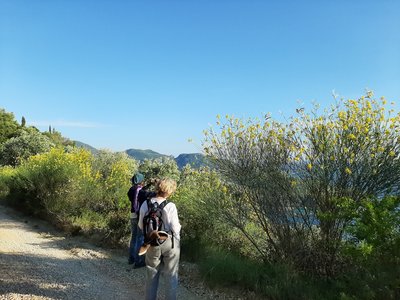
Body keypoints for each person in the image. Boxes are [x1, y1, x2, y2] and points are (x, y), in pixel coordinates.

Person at [138, 178, 181, 300]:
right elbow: (175, 229)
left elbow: (141, 226)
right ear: (170, 191)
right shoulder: (171, 206)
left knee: (151, 274)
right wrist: (177, 243)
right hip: (169, 242)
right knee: (171, 276)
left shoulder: (145, 204)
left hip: (152, 242)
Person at [127, 172, 155, 268]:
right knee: (140, 238)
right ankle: (138, 260)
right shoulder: (140, 191)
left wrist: (149, 184)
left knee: (134, 237)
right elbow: (148, 193)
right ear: (141, 181)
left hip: (132, 215)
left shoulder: (131, 190)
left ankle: (131, 258)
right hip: (139, 216)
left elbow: (140, 190)